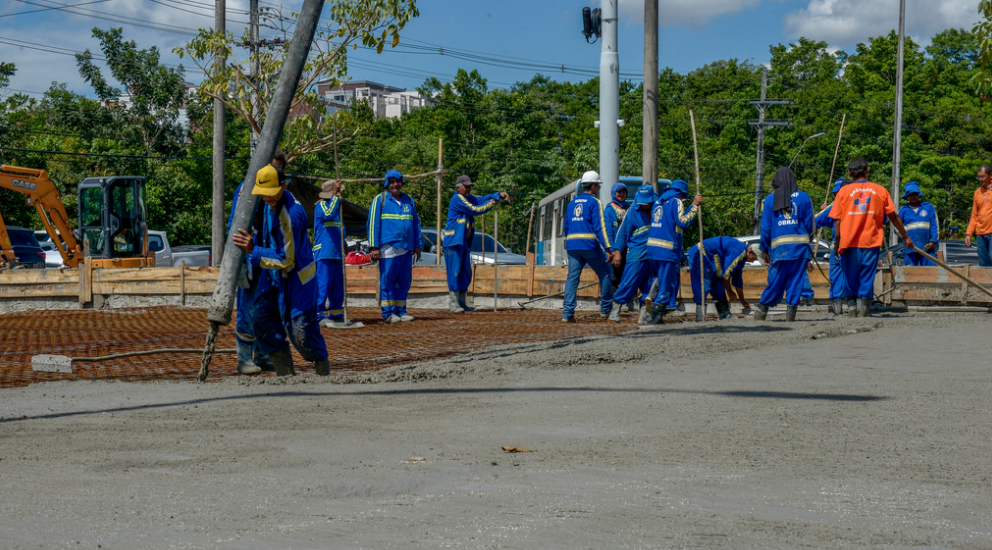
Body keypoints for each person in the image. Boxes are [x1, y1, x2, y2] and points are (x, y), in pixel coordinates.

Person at [232, 164, 329, 376]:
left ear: (283, 187)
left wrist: (253, 250)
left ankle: (322, 366)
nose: (267, 198)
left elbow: (286, 258)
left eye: (270, 193)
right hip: (274, 278)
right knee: (261, 320)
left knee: (301, 334)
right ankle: (285, 372)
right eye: (263, 194)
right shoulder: (268, 202)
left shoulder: (291, 215)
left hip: (297, 282)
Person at [829, 157, 914, 317]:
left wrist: (837, 244)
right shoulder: (880, 190)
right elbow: (894, 217)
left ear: (849, 173)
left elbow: (838, 222)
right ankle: (863, 309)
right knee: (866, 276)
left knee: (850, 276)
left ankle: (852, 307)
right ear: (867, 171)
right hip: (870, 242)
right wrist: (906, 237)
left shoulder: (843, 192)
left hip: (849, 243)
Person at [227, 151, 286, 374]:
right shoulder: (247, 190)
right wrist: (239, 261)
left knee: (267, 310)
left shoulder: (280, 195)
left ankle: (262, 354)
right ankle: (244, 357)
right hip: (251, 258)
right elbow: (236, 226)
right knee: (247, 307)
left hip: (267, 257)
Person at [754, 167, 813, 323]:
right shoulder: (804, 198)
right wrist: (809, 240)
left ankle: (761, 310)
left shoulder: (769, 200)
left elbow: (765, 228)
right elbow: (810, 225)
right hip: (800, 251)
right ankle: (790, 316)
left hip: (779, 251)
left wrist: (764, 249)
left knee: (775, 282)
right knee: (796, 282)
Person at [442, 175, 507, 313]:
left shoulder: (468, 197)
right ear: (458, 187)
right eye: (466, 186)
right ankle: (454, 303)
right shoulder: (457, 199)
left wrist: (498, 195)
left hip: (463, 242)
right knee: (454, 272)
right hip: (453, 242)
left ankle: (462, 302)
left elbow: (480, 199)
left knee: (465, 272)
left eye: (470, 186)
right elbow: (475, 209)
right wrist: (492, 203)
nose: (469, 189)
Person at [367, 169, 422, 323]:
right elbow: (373, 224)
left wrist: (418, 245)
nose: (395, 185)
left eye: (398, 181)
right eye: (392, 182)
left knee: (404, 281)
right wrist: (374, 247)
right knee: (388, 280)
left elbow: (415, 224)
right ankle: (388, 313)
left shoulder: (408, 200)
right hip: (388, 247)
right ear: (387, 184)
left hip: (406, 247)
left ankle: (401, 311)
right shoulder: (380, 200)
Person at [646, 179, 702, 324]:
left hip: (652, 249)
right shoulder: (675, 201)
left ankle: (646, 309)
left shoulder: (658, 202)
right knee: (666, 283)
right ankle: (656, 317)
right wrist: (694, 206)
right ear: (681, 194)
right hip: (666, 250)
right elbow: (682, 222)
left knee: (655, 281)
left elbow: (669, 227)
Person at [561, 170, 613, 322]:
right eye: (598, 186)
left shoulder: (572, 203)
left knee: (572, 279)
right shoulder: (595, 202)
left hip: (572, 246)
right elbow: (600, 228)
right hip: (590, 246)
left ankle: (567, 314)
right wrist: (608, 248)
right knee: (605, 273)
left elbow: (566, 226)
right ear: (595, 186)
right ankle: (605, 310)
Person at [606, 185, 656, 324]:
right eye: (642, 203)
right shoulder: (632, 212)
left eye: (647, 203)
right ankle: (614, 312)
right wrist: (617, 252)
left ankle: (645, 316)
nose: (644, 206)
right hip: (637, 255)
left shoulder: (658, 211)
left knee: (649, 287)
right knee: (629, 283)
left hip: (652, 255)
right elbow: (622, 234)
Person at [686, 236, 756, 321]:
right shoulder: (738, 251)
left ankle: (725, 315)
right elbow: (726, 274)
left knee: (718, 285)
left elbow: (737, 280)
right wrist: (729, 292)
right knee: (703, 285)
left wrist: (742, 300)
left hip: (713, 260)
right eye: (754, 258)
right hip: (701, 254)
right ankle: (700, 317)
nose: (753, 261)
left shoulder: (742, 259)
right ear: (750, 252)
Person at [313, 179, 347, 327]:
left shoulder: (337, 211)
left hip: (337, 253)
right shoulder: (321, 206)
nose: (339, 196)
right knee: (323, 284)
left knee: (337, 285)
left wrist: (344, 244)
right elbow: (328, 214)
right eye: (336, 193)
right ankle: (318, 314)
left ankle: (336, 312)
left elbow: (340, 230)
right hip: (324, 252)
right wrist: (334, 194)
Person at [815, 178, 851, 315]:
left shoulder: (834, 207)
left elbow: (815, 222)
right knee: (838, 276)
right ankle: (843, 306)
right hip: (840, 249)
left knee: (846, 276)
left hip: (845, 248)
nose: (837, 196)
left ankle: (848, 305)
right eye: (836, 194)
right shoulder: (859, 204)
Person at [898, 181, 939, 267]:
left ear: (918, 194)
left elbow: (935, 226)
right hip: (910, 249)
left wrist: (933, 241)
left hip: (927, 248)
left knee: (932, 275)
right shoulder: (903, 210)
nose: (912, 197)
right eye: (910, 195)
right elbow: (897, 228)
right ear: (907, 197)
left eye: (915, 194)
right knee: (910, 276)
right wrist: (905, 239)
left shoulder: (928, 207)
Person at [603, 183, 630, 303]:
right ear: (614, 193)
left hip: (628, 249)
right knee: (614, 277)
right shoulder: (609, 209)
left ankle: (629, 303)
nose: (621, 194)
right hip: (615, 249)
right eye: (619, 192)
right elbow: (608, 231)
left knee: (629, 276)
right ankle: (613, 303)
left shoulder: (629, 208)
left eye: (623, 192)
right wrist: (613, 250)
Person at [965, 164, 992, 266]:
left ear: (990, 175)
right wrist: (969, 233)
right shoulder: (977, 193)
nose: (981, 179)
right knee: (984, 263)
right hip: (980, 234)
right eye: (979, 177)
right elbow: (974, 215)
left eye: (983, 176)